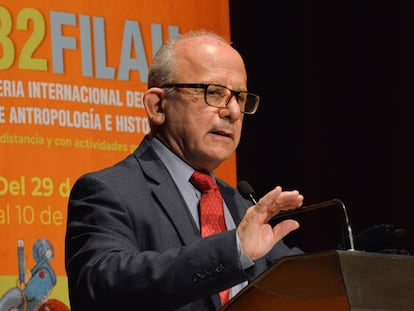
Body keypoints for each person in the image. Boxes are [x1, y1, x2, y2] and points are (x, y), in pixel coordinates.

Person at [65, 29, 304, 311]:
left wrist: (364, 257)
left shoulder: (241, 206)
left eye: (239, 97)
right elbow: (102, 286)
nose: (233, 112)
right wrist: (232, 251)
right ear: (157, 106)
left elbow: (304, 283)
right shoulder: (108, 192)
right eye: (213, 92)